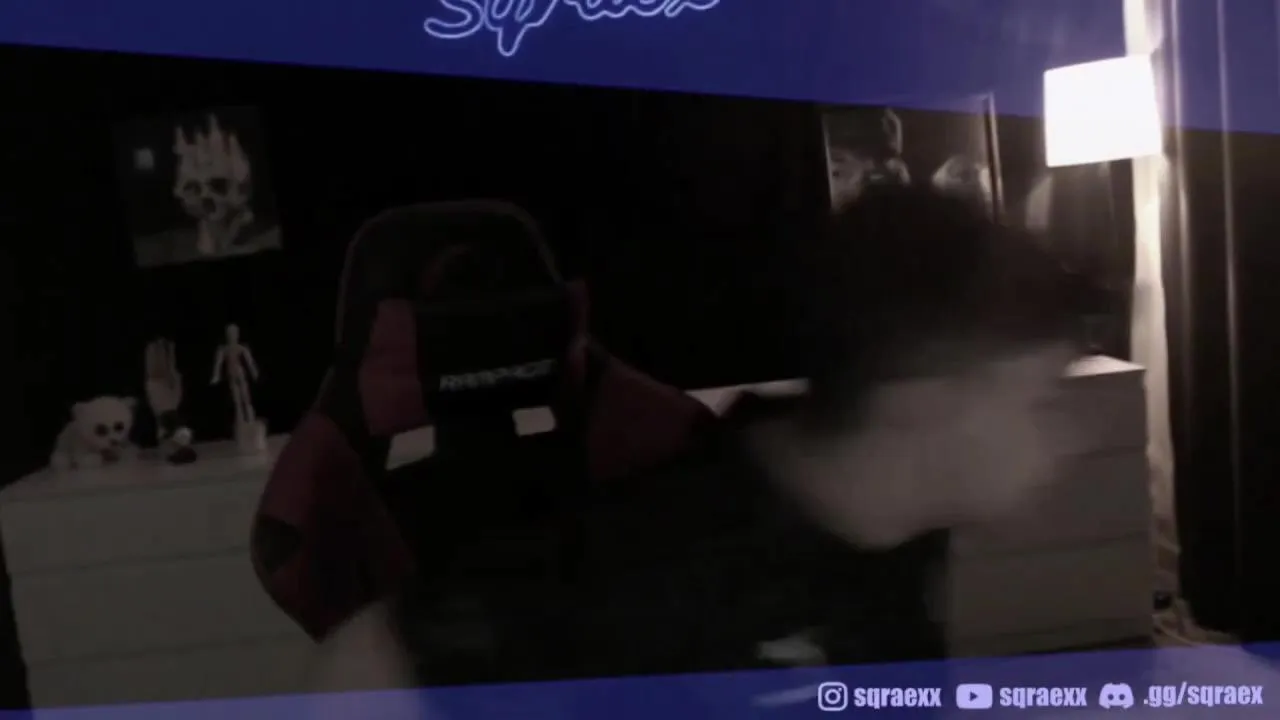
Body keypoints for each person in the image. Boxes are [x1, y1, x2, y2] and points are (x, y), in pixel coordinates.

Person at [309, 185, 1090, 706]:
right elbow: (373, 658)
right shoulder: (659, 564)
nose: (1069, 436)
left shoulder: (895, 531)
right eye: (1040, 399)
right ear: (922, 404)